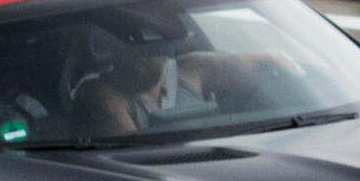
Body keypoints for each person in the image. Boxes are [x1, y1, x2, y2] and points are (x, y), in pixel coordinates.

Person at [71, 37, 305, 137]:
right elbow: (132, 157)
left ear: (167, 45)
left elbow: (273, 58)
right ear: (115, 49)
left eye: (151, 43)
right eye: (134, 45)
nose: (144, 53)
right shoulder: (103, 96)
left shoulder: (189, 69)